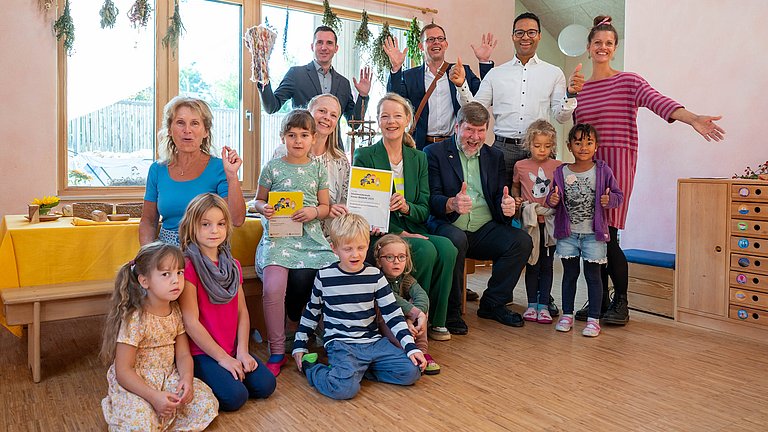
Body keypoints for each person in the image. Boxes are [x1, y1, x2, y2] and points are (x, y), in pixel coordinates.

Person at [573, 15, 725, 325]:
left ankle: (621, 302)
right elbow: (575, 130)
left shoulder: (629, 81)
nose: (603, 47)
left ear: (614, 48)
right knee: (592, 236)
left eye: (609, 43)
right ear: (588, 48)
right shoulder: (581, 90)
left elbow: (659, 102)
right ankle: (599, 300)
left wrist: (693, 119)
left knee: (609, 234)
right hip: (588, 166)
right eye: (597, 42)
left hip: (618, 162)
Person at [353, 93, 457, 342]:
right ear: (378, 120)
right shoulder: (364, 155)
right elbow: (363, 207)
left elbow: (424, 209)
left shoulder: (419, 158)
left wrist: (407, 207)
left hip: (414, 225)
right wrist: (399, 232)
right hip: (380, 231)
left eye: (397, 116)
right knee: (425, 249)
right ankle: (408, 318)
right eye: (385, 116)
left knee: (448, 248)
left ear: (407, 120)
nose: (391, 121)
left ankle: (436, 320)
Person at [425, 102, 533, 332]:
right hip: (448, 225)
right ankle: (450, 312)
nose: (475, 137)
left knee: (521, 241)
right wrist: (451, 203)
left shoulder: (495, 156)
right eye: (469, 130)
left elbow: (499, 195)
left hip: (484, 227)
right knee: (455, 240)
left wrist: (506, 207)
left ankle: (493, 303)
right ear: (457, 127)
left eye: (481, 130)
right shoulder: (434, 153)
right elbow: (430, 199)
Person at [292, 214, 425, 400]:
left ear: (368, 245)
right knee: (343, 390)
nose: (355, 254)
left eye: (361, 247)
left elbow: (393, 315)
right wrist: (299, 344)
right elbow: (311, 313)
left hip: (374, 343)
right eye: (348, 249)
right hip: (341, 344)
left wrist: (411, 348)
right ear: (334, 248)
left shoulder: (376, 276)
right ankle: (313, 368)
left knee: (411, 372)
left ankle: (359, 371)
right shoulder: (324, 277)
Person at [450, 12, 584, 186]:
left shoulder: (554, 73)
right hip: (503, 150)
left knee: (540, 200)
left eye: (531, 32)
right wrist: (461, 85)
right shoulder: (496, 74)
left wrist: (570, 94)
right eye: (520, 32)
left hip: (540, 148)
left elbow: (561, 117)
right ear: (513, 36)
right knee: (501, 199)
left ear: (539, 36)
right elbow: (474, 111)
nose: (525, 37)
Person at [252, 110, 338, 376]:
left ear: (313, 138)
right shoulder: (272, 167)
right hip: (278, 239)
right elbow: (257, 200)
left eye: (303, 135)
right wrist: (263, 207)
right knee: (273, 289)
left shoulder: (318, 168)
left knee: (336, 275)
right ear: (283, 138)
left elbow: (325, 207)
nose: (298, 141)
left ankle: (333, 339)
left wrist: (314, 212)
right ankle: (277, 350)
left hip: (310, 239)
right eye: (291, 135)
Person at [100, 242, 218, 430]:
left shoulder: (176, 311)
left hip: (168, 377)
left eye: (180, 272)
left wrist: (186, 379)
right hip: (137, 384)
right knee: (140, 422)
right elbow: (123, 370)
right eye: (166, 274)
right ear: (144, 281)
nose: (176, 280)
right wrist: (153, 397)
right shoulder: (135, 318)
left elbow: (183, 355)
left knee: (206, 403)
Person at [177, 193, 276, 411]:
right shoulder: (188, 266)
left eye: (220, 224)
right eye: (205, 224)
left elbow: (242, 313)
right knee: (235, 397)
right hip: (202, 352)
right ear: (192, 226)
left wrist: (242, 351)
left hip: (230, 348)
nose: (214, 230)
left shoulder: (233, 265)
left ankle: (230, 371)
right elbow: (191, 322)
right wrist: (223, 359)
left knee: (266, 385)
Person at [546, 124, 623, 337]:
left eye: (589, 143)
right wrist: (552, 199)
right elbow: (551, 199)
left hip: (594, 235)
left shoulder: (603, 170)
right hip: (567, 235)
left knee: (593, 276)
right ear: (569, 146)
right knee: (569, 275)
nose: (583, 147)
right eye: (578, 142)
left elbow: (618, 196)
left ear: (596, 146)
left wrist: (609, 200)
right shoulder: (561, 172)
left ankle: (593, 320)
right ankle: (567, 315)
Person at [140, 96, 246, 246]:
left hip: (209, 253)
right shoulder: (157, 169)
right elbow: (148, 221)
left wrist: (232, 176)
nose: (187, 130)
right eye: (180, 123)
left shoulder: (220, 167)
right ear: (169, 129)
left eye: (195, 123)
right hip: (168, 255)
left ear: (206, 131)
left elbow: (237, 220)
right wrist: (147, 254)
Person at [383, 23, 494, 151]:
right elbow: (393, 100)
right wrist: (396, 68)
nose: (436, 42)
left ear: (446, 44)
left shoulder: (461, 71)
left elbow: (485, 96)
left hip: (454, 144)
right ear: (421, 46)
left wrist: (484, 62)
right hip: (421, 145)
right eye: (430, 39)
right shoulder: (410, 76)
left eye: (440, 39)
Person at [258, 25, 372, 148]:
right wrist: (263, 77)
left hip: (334, 151)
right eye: (319, 42)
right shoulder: (296, 74)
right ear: (312, 46)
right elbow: (271, 107)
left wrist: (363, 96)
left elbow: (354, 123)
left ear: (336, 48)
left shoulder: (344, 83)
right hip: (302, 150)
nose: (324, 47)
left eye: (329, 43)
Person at [270, 93, 351, 238]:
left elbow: (346, 203)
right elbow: (271, 198)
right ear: (309, 112)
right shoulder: (283, 152)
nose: (327, 117)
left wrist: (336, 210)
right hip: (287, 235)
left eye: (333, 115)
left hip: (328, 239)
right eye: (322, 111)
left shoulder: (341, 161)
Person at [512, 120, 562, 324]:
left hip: (549, 223)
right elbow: (516, 186)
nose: (542, 150)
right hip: (530, 223)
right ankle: (532, 304)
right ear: (528, 144)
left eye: (547, 146)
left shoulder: (558, 167)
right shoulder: (520, 166)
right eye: (537, 145)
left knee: (547, 265)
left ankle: (544, 305)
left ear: (553, 146)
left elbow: (561, 192)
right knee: (532, 263)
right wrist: (517, 200)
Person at [374, 234, 440, 375]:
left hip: (408, 323)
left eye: (401, 257)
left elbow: (422, 297)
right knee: (385, 307)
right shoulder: (377, 279)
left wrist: (414, 318)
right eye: (390, 257)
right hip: (386, 327)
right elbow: (392, 298)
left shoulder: (406, 279)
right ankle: (402, 348)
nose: (396, 262)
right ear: (379, 261)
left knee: (419, 305)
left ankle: (422, 351)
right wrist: (410, 317)